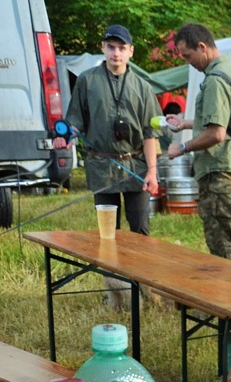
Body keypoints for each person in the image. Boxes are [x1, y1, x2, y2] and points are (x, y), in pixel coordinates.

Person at [66, 24, 160, 237]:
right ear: (103, 47)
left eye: (121, 48)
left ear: (131, 51)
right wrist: (65, 135)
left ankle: (137, 261)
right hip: (102, 166)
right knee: (108, 232)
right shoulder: (87, 81)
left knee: (140, 230)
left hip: (135, 165)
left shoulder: (143, 87)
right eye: (111, 47)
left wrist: (152, 172)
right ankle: (109, 261)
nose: (116, 53)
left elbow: (149, 134)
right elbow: (75, 120)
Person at [166, 23, 231, 263]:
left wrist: (181, 148)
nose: (188, 62)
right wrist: (185, 124)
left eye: (188, 55)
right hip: (230, 167)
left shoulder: (215, 80)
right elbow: (226, 121)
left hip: (219, 173)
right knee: (230, 236)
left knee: (224, 244)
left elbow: (217, 133)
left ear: (202, 47)